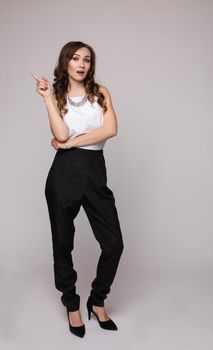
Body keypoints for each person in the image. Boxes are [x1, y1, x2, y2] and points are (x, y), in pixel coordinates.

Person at [31, 41, 124, 338]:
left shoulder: (101, 92)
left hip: (95, 172)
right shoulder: (57, 95)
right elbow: (59, 133)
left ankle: (97, 299)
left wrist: (72, 141)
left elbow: (110, 129)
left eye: (87, 59)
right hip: (64, 174)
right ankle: (72, 304)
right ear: (66, 63)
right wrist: (46, 98)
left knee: (113, 244)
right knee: (63, 243)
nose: (81, 64)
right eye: (75, 58)